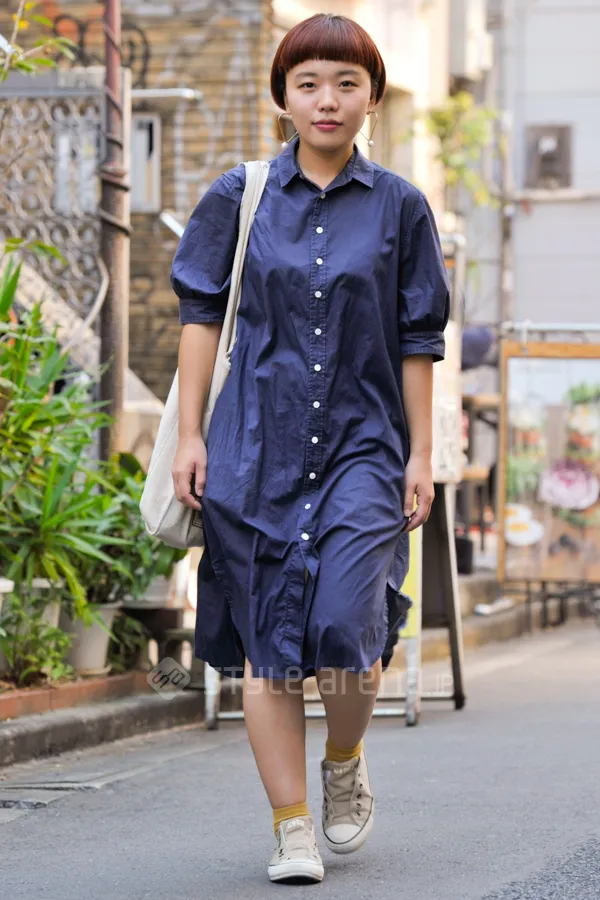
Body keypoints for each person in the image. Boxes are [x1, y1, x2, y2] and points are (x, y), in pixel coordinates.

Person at [170, 13, 450, 885]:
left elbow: (418, 339)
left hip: (366, 445)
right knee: (269, 645)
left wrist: (420, 454)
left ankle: (344, 760)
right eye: (309, 84)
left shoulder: (401, 205)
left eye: (346, 83)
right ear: (283, 98)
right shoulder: (239, 196)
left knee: (344, 628)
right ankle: (291, 829)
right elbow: (200, 316)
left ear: (372, 97)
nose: (328, 100)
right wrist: (190, 434)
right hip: (255, 443)